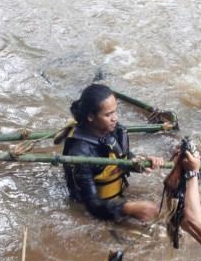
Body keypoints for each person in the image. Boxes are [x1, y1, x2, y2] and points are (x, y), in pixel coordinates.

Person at [62, 84, 163, 222]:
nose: (115, 118)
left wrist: (142, 163)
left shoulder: (114, 130)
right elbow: (92, 205)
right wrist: (128, 209)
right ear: (91, 117)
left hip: (117, 197)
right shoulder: (80, 154)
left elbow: (122, 156)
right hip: (95, 210)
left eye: (115, 111)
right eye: (108, 114)